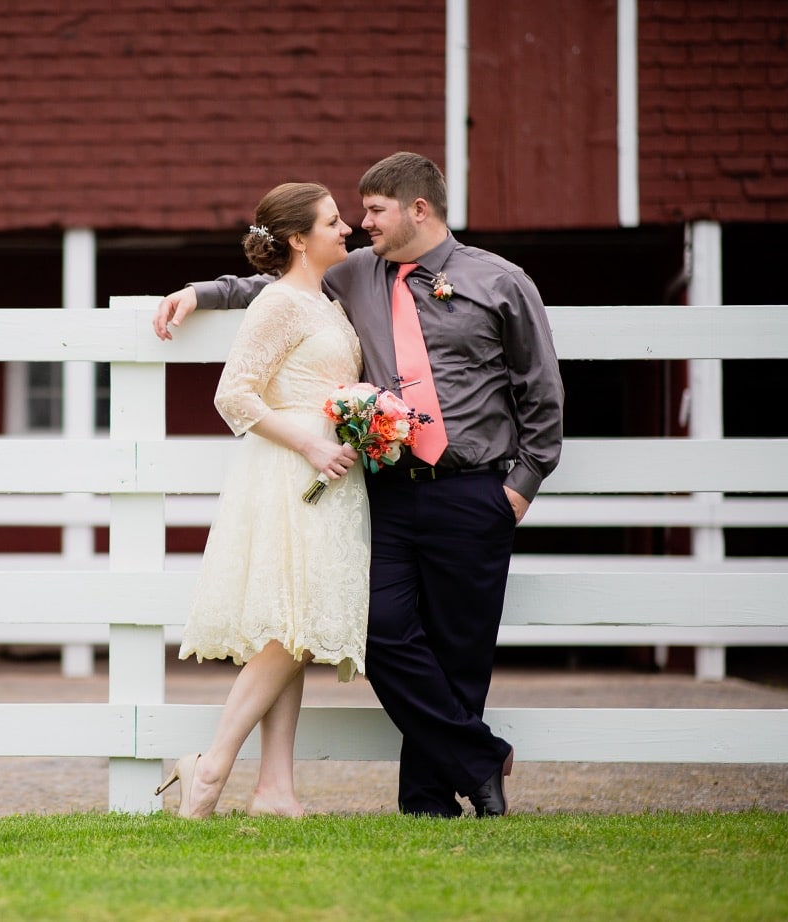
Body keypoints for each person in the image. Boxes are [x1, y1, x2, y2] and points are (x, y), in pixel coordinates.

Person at [154, 152, 564, 818]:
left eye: (372, 211)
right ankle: (480, 757)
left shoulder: (500, 280)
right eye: (349, 215)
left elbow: (540, 389)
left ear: (418, 209)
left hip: (474, 488)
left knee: (460, 648)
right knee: (379, 632)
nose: (359, 223)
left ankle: (433, 799)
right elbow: (275, 290)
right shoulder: (354, 277)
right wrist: (201, 292)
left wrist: (523, 483)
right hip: (389, 489)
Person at [155, 181, 370, 819]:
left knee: (294, 630)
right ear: (299, 239)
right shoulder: (280, 303)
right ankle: (209, 768)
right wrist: (307, 440)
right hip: (290, 474)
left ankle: (275, 789)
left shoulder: (327, 300)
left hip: (330, 476)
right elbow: (235, 395)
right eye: (333, 222)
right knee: (291, 627)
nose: (347, 230)